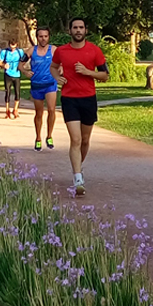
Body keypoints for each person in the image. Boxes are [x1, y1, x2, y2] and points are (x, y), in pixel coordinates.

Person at [50, 17, 109, 197]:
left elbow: (105, 75)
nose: (78, 30)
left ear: (85, 30)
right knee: (75, 140)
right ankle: (78, 179)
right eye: (75, 27)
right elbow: (53, 67)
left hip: (88, 99)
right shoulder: (61, 51)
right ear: (70, 31)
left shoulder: (94, 51)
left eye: (81, 27)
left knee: (84, 140)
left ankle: (78, 167)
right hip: (69, 99)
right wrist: (56, 77)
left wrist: (87, 72)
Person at [22, 27, 58, 151]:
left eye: (45, 36)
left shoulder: (53, 50)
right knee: (39, 113)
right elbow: (20, 65)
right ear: (37, 37)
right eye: (41, 36)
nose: (43, 39)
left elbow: (62, 63)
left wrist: (61, 71)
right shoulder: (31, 51)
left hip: (50, 84)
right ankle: (38, 138)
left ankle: (49, 135)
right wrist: (26, 72)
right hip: (37, 85)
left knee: (52, 110)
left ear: (49, 37)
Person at [0, 39, 27, 119]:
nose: (12, 47)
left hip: (16, 74)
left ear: (17, 44)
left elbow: (25, 59)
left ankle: (15, 109)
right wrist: (4, 65)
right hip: (8, 74)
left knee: (17, 92)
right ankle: (7, 109)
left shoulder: (19, 52)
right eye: (11, 45)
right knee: (8, 92)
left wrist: (21, 66)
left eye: (14, 45)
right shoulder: (4, 52)